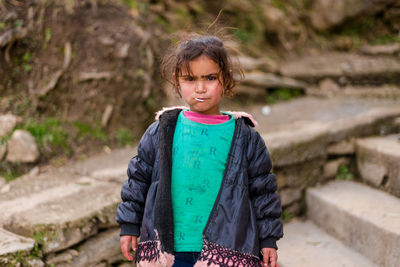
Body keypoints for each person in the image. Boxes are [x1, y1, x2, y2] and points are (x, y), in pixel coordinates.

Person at [116, 33, 283, 267]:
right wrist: (129, 225)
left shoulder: (245, 137)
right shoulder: (161, 131)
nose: (201, 88)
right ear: (177, 81)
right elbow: (138, 180)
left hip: (227, 248)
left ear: (226, 78)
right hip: (170, 247)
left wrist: (268, 239)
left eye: (211, 77)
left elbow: (263, 191)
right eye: (190, 79)